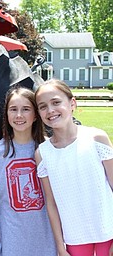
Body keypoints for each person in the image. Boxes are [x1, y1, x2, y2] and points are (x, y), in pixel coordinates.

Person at [34, 79, 113, 256]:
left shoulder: (96, 138)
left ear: (72, 104)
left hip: (107, 233)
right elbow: (51, 203)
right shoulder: (43, 153)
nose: (50, 110)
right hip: (74, 238)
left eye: (56, 102)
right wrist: (60, 246)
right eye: (43, 106)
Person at [0, 86, 57, 256]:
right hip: (11, 231)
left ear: (35, 115)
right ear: (7, 114)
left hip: (45, 230)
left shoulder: (49, 149)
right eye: (13, 109)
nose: (19, 115)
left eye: (26, 109)